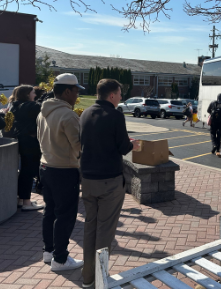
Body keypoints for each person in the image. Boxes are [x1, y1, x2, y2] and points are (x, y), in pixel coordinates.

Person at [78, 79, 139, 287]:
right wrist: (133, 145)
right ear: (112, 95)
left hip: (87, 178)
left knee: (90, 226)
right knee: (105, 230)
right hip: (109, 180)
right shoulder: (115, 115)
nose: (121, 97)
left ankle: (87, 277)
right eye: (120, 93)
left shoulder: (85, 113)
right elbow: (123, 147)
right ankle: (100, 277)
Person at [36, 73, 84, 272]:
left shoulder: (42, 112)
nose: (77, 96)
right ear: (66, 91)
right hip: (64, 170)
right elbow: (78, 147)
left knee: (50, 212)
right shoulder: (68, 115)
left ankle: (49, 252)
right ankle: (61, 259)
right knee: (65, 215)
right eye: (75, 91)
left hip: (45, 166)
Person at [7, 85, 43, 211]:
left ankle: (21, 199)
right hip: (30, 141)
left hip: (22, 139)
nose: (35, 95)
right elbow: (42, 107)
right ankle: (27, 202)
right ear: (27, 94)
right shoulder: (29, 106)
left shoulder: (14, 105)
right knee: (29, 170)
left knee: (24, 171)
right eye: (33, 92)